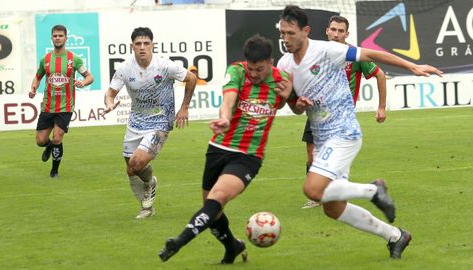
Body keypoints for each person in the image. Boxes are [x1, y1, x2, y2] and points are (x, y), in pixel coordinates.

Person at [277, 5, 442, 259]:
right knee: (333, 209)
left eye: (290, 33)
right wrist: (297, 104)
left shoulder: (327, 50)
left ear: (305, 31)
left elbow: (371, 54)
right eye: (282, 33)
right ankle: (396, 236)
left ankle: (374, 190)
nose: (285, 38)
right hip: (323, 138)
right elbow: (294, 106)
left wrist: (412, 66)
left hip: (343, 132)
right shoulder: (284, 63)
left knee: (312, 190)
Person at [158, 34, 292, 263]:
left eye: (259, 69)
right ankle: (233, 246)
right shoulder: (237, 71)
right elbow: (228, 100)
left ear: (270, 62)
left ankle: (178, 242)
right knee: (212, 208)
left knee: (217, 198)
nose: (254, 74)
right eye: (251, 68)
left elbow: (293, 106)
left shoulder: (283, 79)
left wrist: (290, 99)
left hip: (248, 156)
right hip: (218, 147)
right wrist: (225, 118)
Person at [103, 27, 197, 219]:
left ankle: (149, 189)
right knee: (131, 169)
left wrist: (184, 107)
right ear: (132, 46)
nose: (142, 47)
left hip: (160, 121)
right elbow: (110, 93)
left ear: (153, 45)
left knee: (137, 164)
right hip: (135, 121)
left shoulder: (164, 66)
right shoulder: (124, 68)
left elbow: (192, 78)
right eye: (138, 44)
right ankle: (147, 200)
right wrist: (110, 103)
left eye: (146, 43)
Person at [302, 15, 387, 209]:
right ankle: (319, 195)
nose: (336, 34)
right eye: (333, 29)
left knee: (335, 154)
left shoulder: (354, 54)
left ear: (346, 34)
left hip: (341, 115)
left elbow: (380, 75)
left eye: (341, 31)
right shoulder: (318, 52)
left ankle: (336, 193)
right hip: (317, 110)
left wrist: (381, 107)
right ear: (327, 31)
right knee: (311, 152)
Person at [28, 24, 94, 178]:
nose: (57, 38)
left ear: (66, 38)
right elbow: (38, 77)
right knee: (40, 141)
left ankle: (54, 171)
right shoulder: (45, 59)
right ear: (51, 38)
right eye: (55, 36)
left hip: (65, 106)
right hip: (48, 106)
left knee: (57, 138)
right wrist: (33, 88)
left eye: (60, 35)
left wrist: (83, 83)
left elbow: (89, 77)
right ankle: (49, 145)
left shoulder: (74, 59)